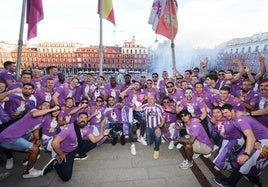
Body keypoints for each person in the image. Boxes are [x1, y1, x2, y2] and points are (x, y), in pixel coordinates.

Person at [44, 112, 110, 181]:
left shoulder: (86, 128)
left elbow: (94, 140)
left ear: (87, 120)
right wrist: (61, 153)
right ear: (77, 118)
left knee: (93, 143)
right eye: (81, 117)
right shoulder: (69, 128)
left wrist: (103, 134)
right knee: (66, 177)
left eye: (85, 118)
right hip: (67, 152)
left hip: (76, 146)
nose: (83, 120)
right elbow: (54, 143)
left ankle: (77, 154)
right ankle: (55, 164)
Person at [0, 102, 60, 178]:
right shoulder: (34, 111)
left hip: (18, 136)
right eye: (44, 105)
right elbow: (34, 115)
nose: (47, 107)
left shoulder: (43, 118)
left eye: (48, 106)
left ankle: (27, 159)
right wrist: (53, 108)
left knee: (33, 137)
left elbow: (36, 130)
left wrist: (38, 139)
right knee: (35, 150)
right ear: (39, 106)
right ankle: (28, 172)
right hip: (7, 138)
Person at [214, 104, 268, 187]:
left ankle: (230, 183)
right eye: (223, 113)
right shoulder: (235, 119)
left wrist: (246, 154)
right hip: (258, 140)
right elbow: (249, 134)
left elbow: (250, 137)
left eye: (227, 112)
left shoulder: (239, 120)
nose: (225, 115)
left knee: (245, 162)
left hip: (265, 142)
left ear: (232, 111)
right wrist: (255, 140)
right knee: (242, 162)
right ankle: (256, 182)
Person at [141, 94, 165, 159]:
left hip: (156, 126)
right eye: (148, 98)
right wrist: (142, 99)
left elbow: (163, 118)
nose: (150, 100)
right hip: (148, 127)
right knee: (149, 143)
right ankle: (153, 137)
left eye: (152, 98)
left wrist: (159, 127)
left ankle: (156, 149)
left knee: (157, 136)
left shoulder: (159, 107)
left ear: (155, 100)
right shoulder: (145, 106)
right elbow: (137, 109)